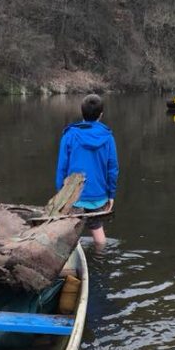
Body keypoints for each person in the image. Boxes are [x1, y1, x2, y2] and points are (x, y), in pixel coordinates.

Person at [55, 93, 119, 248]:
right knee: (98, 234)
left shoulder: (69, 134)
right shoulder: (107, 137)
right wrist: (111, 194)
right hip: (98, 195)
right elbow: (113, 168)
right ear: (101, 115)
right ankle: (100, 258)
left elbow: (62, 167)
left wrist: (60, 194)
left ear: (81, 112)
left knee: (68, 233)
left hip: (73, 195)